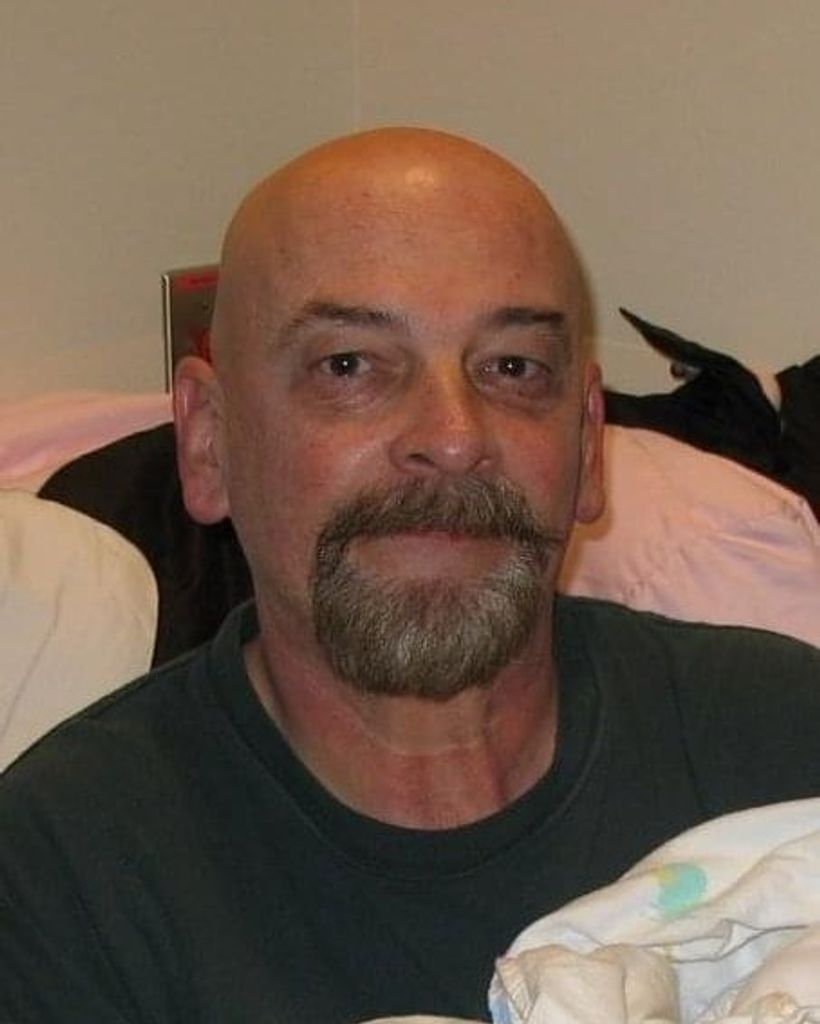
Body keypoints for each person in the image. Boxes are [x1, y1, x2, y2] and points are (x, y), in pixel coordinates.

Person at [1, 127, 819, 1024]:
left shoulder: (784, 741)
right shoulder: (62, 881)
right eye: (348, 367)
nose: (454, 437)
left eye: (512, 368)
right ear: (208, 442)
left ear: (588, 445)